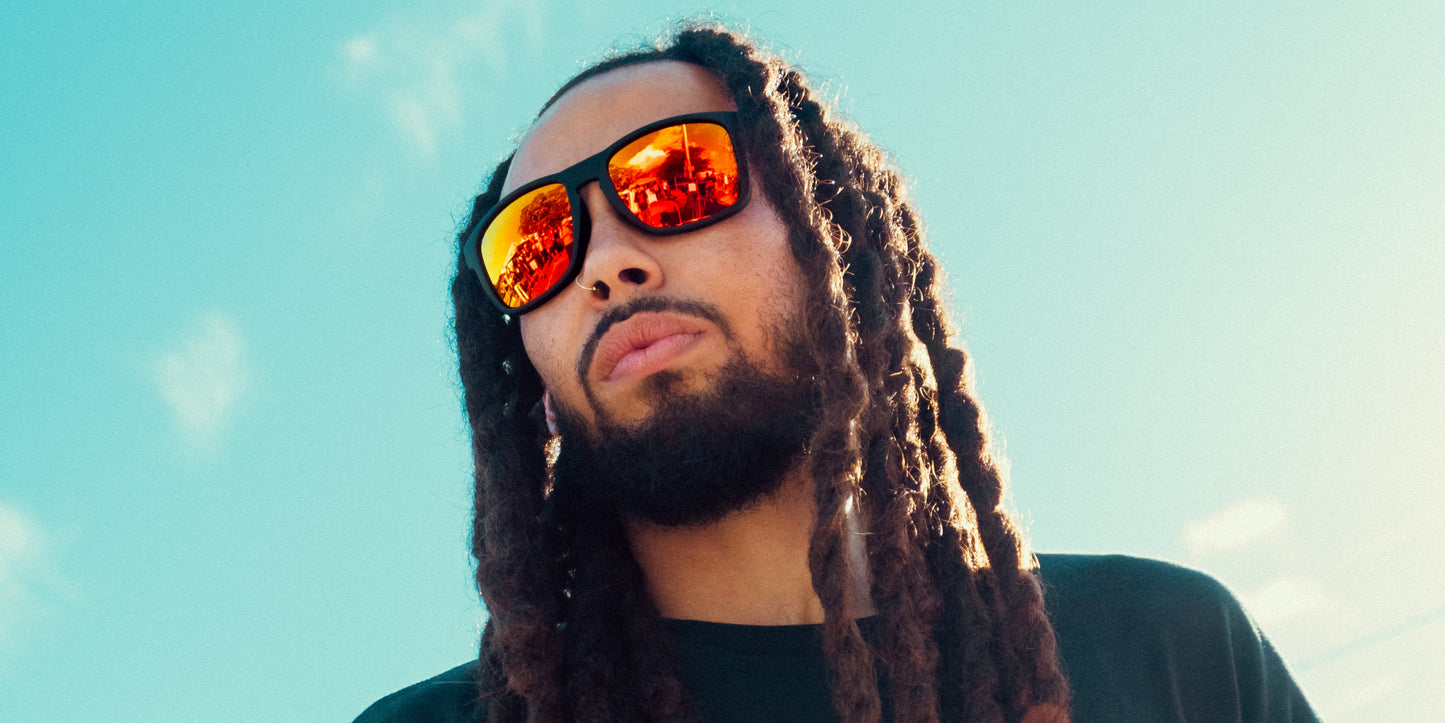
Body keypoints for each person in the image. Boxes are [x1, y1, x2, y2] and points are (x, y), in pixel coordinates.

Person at [357, 24, 1318, 723]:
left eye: (677, 177)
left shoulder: (1165, 647)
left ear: (838, 242)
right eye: (538, 244)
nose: (606, 259)